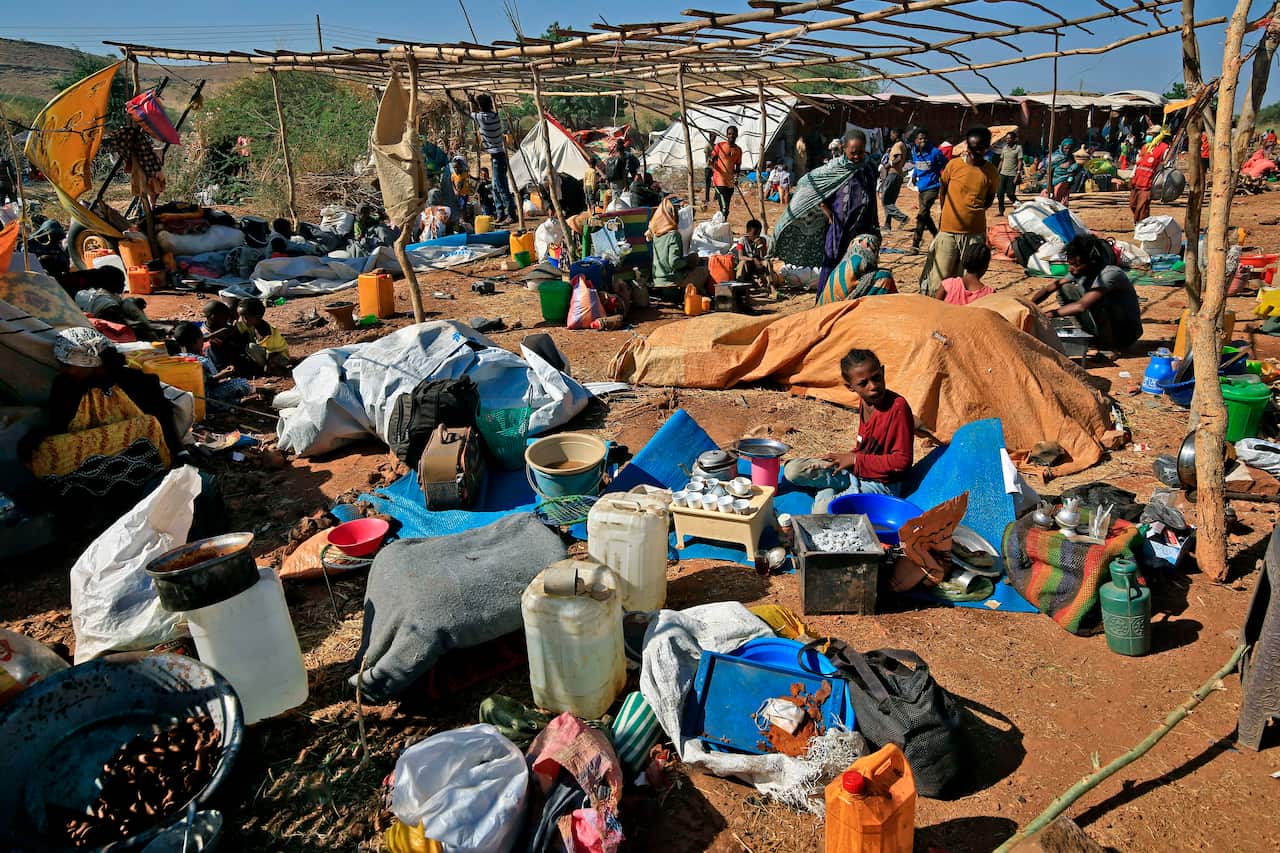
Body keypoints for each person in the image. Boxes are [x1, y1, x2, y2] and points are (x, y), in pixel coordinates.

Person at [20, 327, 183, 506]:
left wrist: (180, 453)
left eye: (67, 365)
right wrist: (37, 440)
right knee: (42, 451)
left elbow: (163, 417)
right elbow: (58, 426)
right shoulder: (66, 386)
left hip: (138, 458)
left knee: (150, 424)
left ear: (89, 362)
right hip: (90, 460)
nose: (62, 369)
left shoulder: (136, 381)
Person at [783, 348, 915, 512]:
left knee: (822, 510)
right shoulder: (866, 402)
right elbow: (866, 447)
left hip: (883, 483)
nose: (873, 386)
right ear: (850, 387)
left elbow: (902, 461)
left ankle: (827, 490)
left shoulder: (897, 407)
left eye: (876, 377)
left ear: (882, 372)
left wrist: (855, 460)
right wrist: (849, 459)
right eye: (863, 383)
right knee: (793, 470)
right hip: (857, 470)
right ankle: (832, 489)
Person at [770, 129, 879, 290]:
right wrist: (826, 210)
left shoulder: (868, 167)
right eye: (853, 153)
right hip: (839, 228)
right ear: (844, 149)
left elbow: (872, 197)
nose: (857, 156)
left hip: (864, 228)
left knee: (861, 267)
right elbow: (808, 183)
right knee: (832, 263)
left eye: (860, 152)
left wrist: (875, 223)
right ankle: (825, 299)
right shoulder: (834, 169)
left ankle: (855, 299)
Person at [921, 126, 998, 297]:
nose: (974, 152)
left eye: (979, 149)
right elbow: (943, 190)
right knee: (940, 277)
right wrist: (946, 213)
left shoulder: (990, 172)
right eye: (971, 148)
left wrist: (971, 212)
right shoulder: (954, 165)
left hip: (974, 233)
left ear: (987, 148)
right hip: (948, 231)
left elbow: (988, 199)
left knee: (966, 279)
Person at [1032, 234, 1143, 352]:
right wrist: (1028, 305)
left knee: (1095, 302)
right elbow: (1050, 288)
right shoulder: (1082, 270)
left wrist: (1045, 316)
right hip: (1109, 324)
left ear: (1092, 262)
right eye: (1070, 264)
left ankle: (1108, 348)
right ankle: (1090, 336)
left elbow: (1081, 306)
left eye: (1075, 265)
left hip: (1126, 332)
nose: (1070, 269)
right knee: (1065, 288)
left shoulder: (1109, 274)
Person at [171, 321, 251, 407]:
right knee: (242, 383)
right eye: (201, 340)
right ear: (196, 341)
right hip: (207, 400)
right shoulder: (201, 361)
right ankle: (235, 402)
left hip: (184, 400)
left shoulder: (174, 359)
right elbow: (209, 382)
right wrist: (222, 374)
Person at [465, 93, 516, 225]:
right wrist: (473, 100)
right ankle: (500, 214)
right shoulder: (494, 116)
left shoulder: (481, 117)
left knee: (501, 187)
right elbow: (480, 110)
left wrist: (456, 98)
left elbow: (466, 112)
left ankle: (511, 214)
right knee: (496, 186)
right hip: (499, 156)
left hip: (497, 157)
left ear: (480, 106)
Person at [816, 233, 896, 305]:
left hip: (823, 309)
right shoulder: (860, 258)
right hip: (838, 309)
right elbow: (868, 270)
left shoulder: (844, 263)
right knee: (884, 277)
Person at [909, 129, 947, 254]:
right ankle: (936, 235)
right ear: (915, 140)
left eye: (925, 138)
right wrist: (914, 175)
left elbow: (946, 165)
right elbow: (916, 165)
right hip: (921, 187)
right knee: (925, 215)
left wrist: (944, 179)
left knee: (922, 214)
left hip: (933, 187)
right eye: (920, 139)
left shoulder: (935, 152)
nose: (923, 140)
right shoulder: (915, 151)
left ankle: (915, 244)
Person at [236, 297, 290, 375]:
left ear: (257, 317)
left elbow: (272, 354)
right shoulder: (247, 324)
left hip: (279, 357)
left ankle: (274, 369)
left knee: (251, 347)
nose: (241, 319)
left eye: (245, 317)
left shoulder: (267, 332)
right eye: (240, 316)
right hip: (264, 353)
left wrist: (267, 367)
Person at [1129, 126, 1170, 225]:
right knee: (1133, 204)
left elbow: (1167, 164)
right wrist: (1132, 175)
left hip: (1148, 182)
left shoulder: (1164, 148)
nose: (1148, 136)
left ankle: (1142, 225)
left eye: (1150, 135)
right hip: (1137, 179)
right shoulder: (1145, 147)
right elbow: (1138, 163)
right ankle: (1140, 223)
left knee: (1142, 206)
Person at [880, 128, 910, 230]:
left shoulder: (898, 145)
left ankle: (902, 218)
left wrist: (888, 165)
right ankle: (887, 225)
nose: (890, 136)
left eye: (891, 134)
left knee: (885, 201)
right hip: (898, 175)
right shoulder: (902, 145)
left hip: (893, 174)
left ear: (895, 135)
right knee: (890, 201)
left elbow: (898, 158)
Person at [710, 126, 743, 219]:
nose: (731, 136)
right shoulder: (719, 146)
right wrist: (711, 161)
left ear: (737, 135)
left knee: (726, 207)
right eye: (729, 134)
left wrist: (736, 178)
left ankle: (722, 223)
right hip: (719, 180)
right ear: (726, 135)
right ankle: (721, 222)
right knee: (724, 208)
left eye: (733, 134)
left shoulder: (738, 150)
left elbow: (738, 167)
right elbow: (711, 160)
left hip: (730, 182)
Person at [735, 218, 773, 287]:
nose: (757, 236)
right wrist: (753, 259)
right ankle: (739, 285)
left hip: (758, 265)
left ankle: (771, 285)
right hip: (748, 264)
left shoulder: (763, 240)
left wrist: (761, 248)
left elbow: (763, 256)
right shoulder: (742, 240)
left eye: (758, 234)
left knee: (767, 262)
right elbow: (740, 257)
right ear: (748, 232)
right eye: (755, 234)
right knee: (742, 263)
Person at [996, 130, 1024, 216]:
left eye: (1009, 138)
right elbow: (1001, 161)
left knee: (1010, 193)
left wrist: (1018, 174)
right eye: (1006, 138)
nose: (1007, 140)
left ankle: (1020, 205)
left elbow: (1020, 161)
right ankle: (1001, 211)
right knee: (1000, 193)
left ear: (1014, 139)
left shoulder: (1018, 148)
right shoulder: (1004, 148)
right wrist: (997, 172)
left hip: (1012, 174)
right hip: (1003, 174)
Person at [1048, 138, 1081, 205]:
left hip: (1067, 180)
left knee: (1064, 197)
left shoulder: (1071, 157)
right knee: (1056, 196)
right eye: (1066, 148)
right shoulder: (1055, 157)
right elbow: (1049, 169)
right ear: (1062, 147)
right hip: (1056, 180)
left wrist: (1075, 167)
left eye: (1070, 148)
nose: (1068, 150)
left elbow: (1073, 168)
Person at [703, 131, 718, 205]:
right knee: (708, 184)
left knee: (717, 182)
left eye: (715, 137)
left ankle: (716, 197)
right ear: (710, 137)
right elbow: (707, 159)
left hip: (715, 167)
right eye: (713, 137)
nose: (714, 139)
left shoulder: (715, 146)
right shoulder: (707, 146)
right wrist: (711, 160)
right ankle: (707, 199)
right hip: (708, 168)